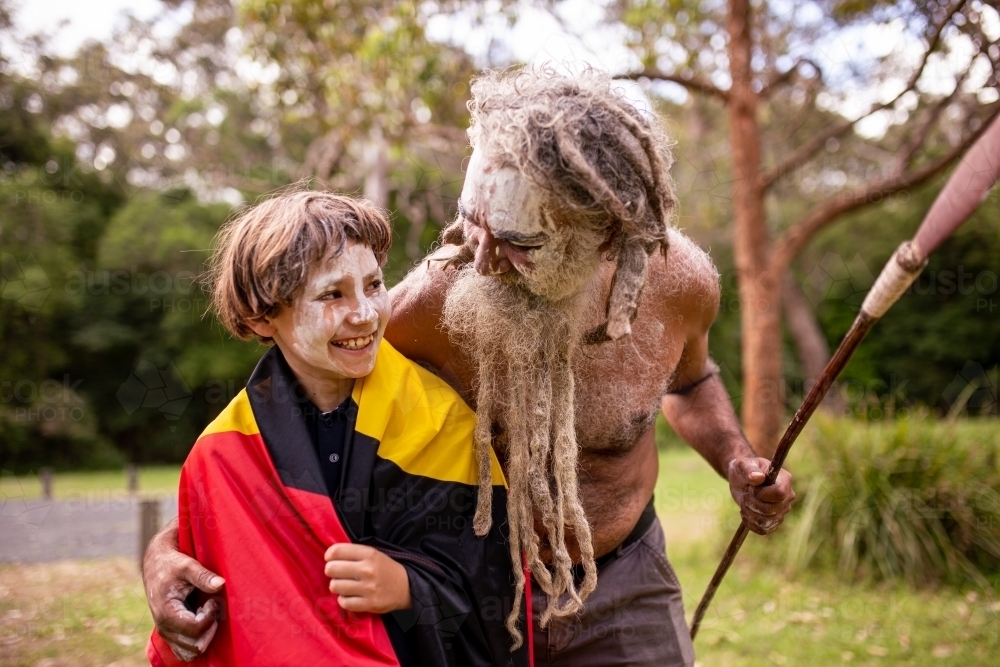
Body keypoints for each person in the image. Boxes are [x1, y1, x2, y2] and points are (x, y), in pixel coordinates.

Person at [144, 67, 796, 667]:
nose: (479, 259)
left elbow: (690, 382)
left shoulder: (676, 286)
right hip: (466, 605)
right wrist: (172, 549)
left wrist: (735, 457)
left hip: (621, 582)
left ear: (603, 233)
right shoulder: (423, 309)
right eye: (470, 222)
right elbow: (287, 445)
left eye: (518, 241)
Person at [145, 189, 530, 667]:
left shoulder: (442, 424)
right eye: (332, 294)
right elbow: (205, 605)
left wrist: (409, 587)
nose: (365, 313)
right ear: (261, 318)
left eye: (373, 285)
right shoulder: (222, 453)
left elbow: (497, 588)